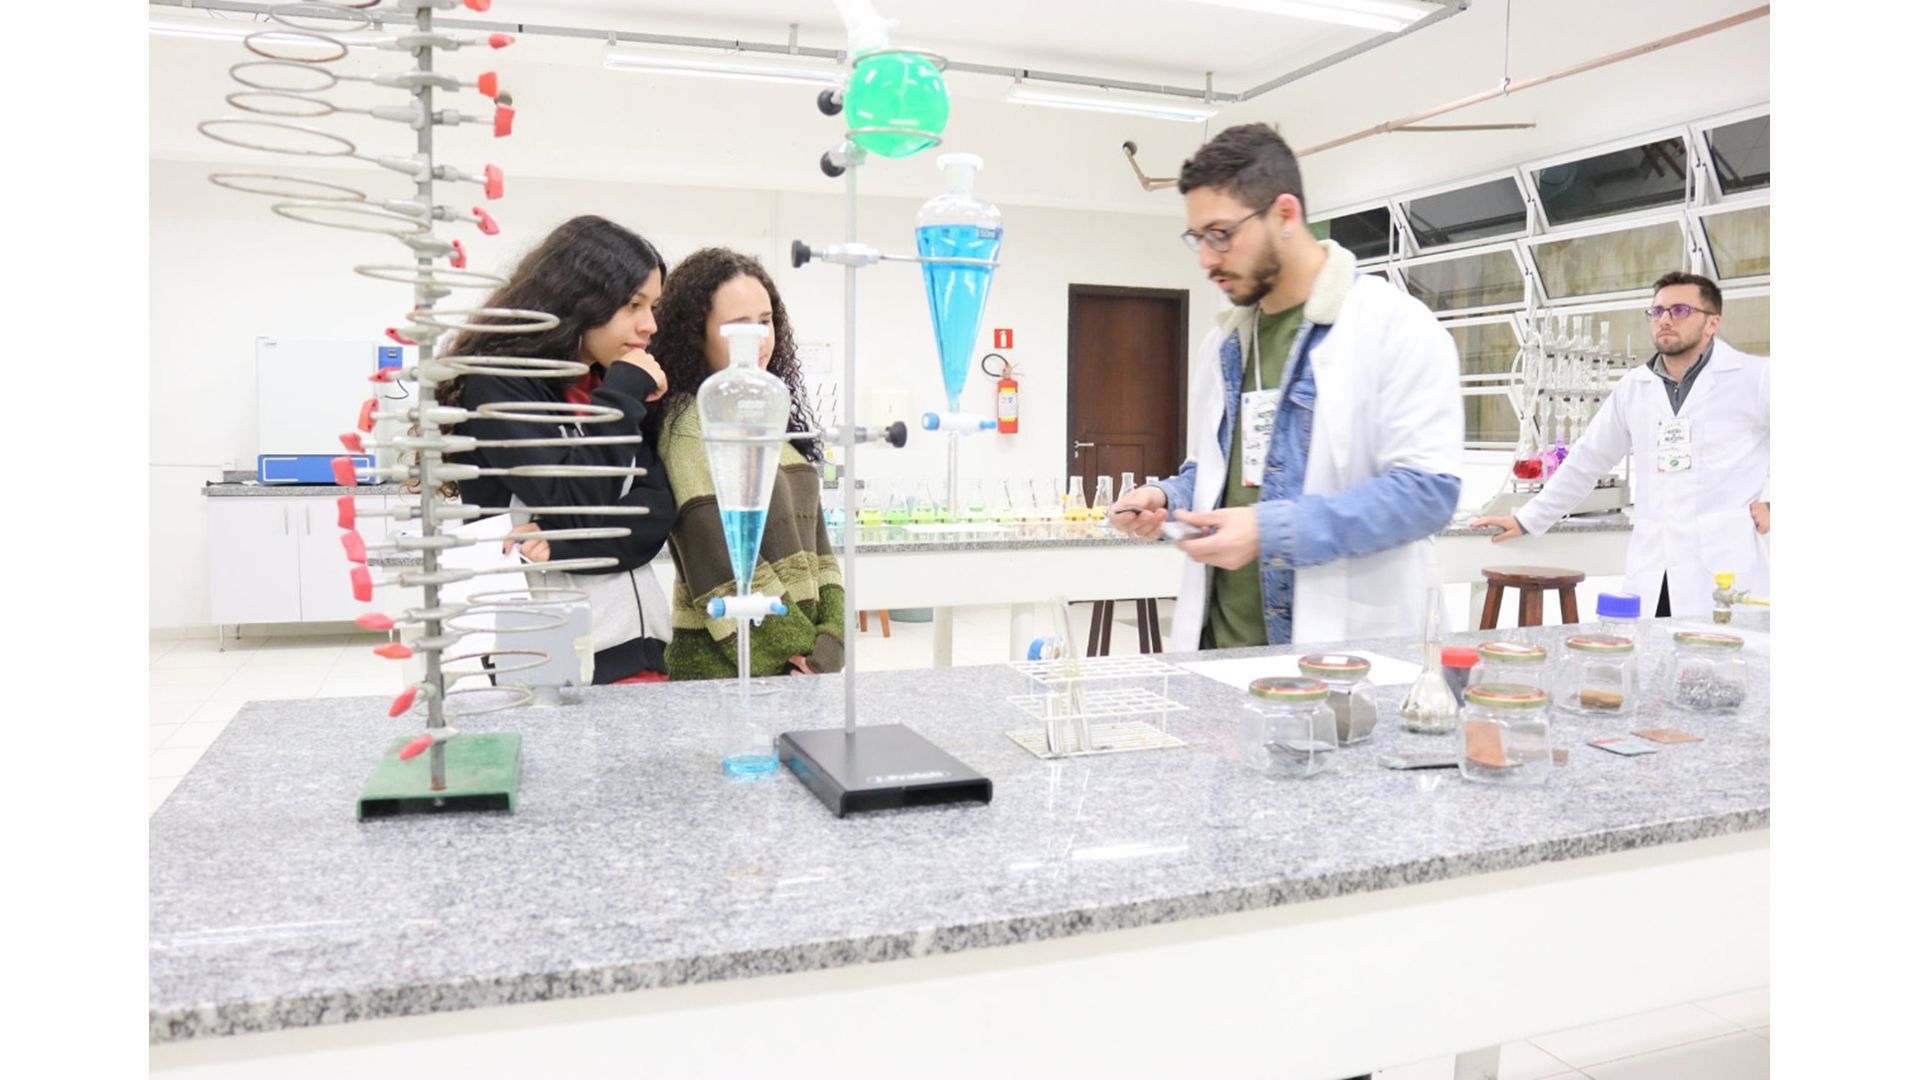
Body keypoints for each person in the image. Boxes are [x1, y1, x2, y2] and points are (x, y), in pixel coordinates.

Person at [1106, 123, 1465, 650]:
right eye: (1197, 238)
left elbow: (1427, 495)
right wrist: (1165, 497)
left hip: (1339, 660)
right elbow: (1219, 472)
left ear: (1286, 214)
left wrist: (1272, 530)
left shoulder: (1395, 326)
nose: (1206, 258)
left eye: (1221, 234)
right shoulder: (1225, 344)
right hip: (1220, 655)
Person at [437, 214, 678, 683]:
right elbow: (572, 495)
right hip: (545, 652)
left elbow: (656, 514)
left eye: (653, 306)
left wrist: (567, 540)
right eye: (633, 304)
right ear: (580, 298)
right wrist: (624, 393)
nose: (649, 325)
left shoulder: (606, 386)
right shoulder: (497, 386)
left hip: (639, 643)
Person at [1470, 272, 1769, 617]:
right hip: (1654, 570)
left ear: (1712, 322)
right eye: (1656, 312)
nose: (1665, 320)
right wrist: (1527, 518)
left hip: (1720, 572)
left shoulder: (1755, 378)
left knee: (1721, 666)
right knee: (1649, 665)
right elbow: (1588, 460)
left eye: (1680, 310)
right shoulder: (1635, 386)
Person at [647, 247, 844, 680]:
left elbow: (823, 557)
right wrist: (800, 657)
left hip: (798, 671)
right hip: (727, 672)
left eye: (765, 321)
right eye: (737, 327)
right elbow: (720, 565)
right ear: (694, 333)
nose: (759, 338)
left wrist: (832, 641)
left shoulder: (770, 420)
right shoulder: (689, 425)